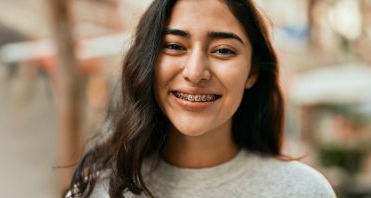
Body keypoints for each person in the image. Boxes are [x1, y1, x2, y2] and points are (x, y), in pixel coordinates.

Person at [66, 0, 336, 197]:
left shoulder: (303, 192)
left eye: (223, 51)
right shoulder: (98, 191)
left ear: (252, 71)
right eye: (174, 46)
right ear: (148, 62)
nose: (195, 73)